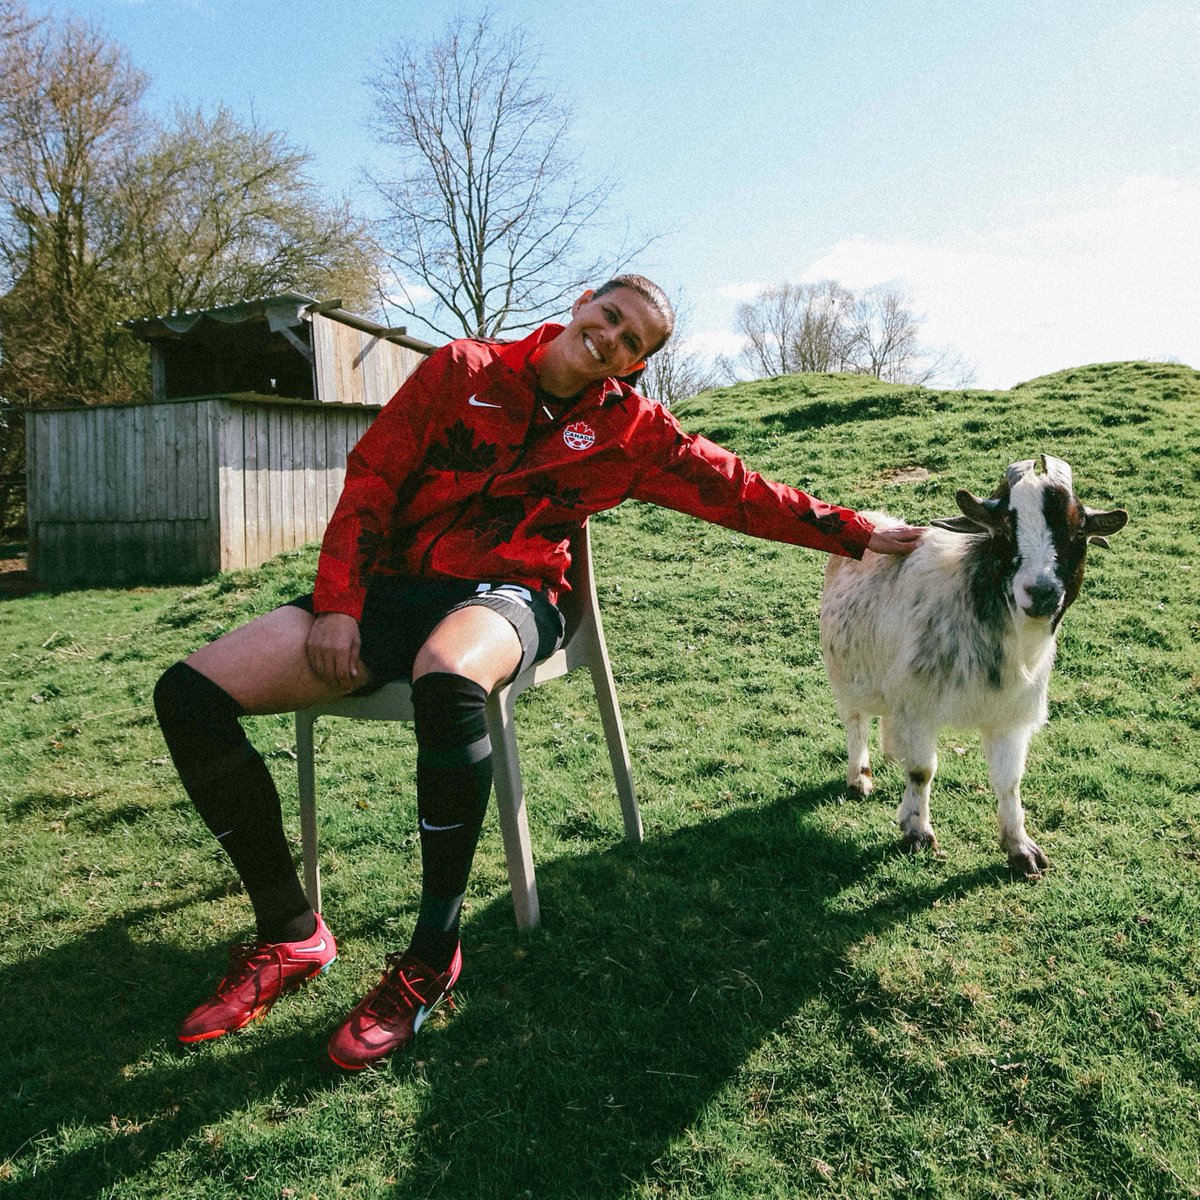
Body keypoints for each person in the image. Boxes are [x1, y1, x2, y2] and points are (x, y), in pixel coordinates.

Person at [154, 274, 923, 1070]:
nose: (610, 338)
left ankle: (429, 958)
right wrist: (342, 603)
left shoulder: (632, 430)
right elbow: (373, 476)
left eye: (632, 344)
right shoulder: (462, 369)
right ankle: (290, 934)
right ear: (585, 301)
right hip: (387, 591)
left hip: (511, 593)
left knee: (446, 677)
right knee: (188, 695)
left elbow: (735, 490)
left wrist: (856, 532)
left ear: (634, 366)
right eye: (610, 317)